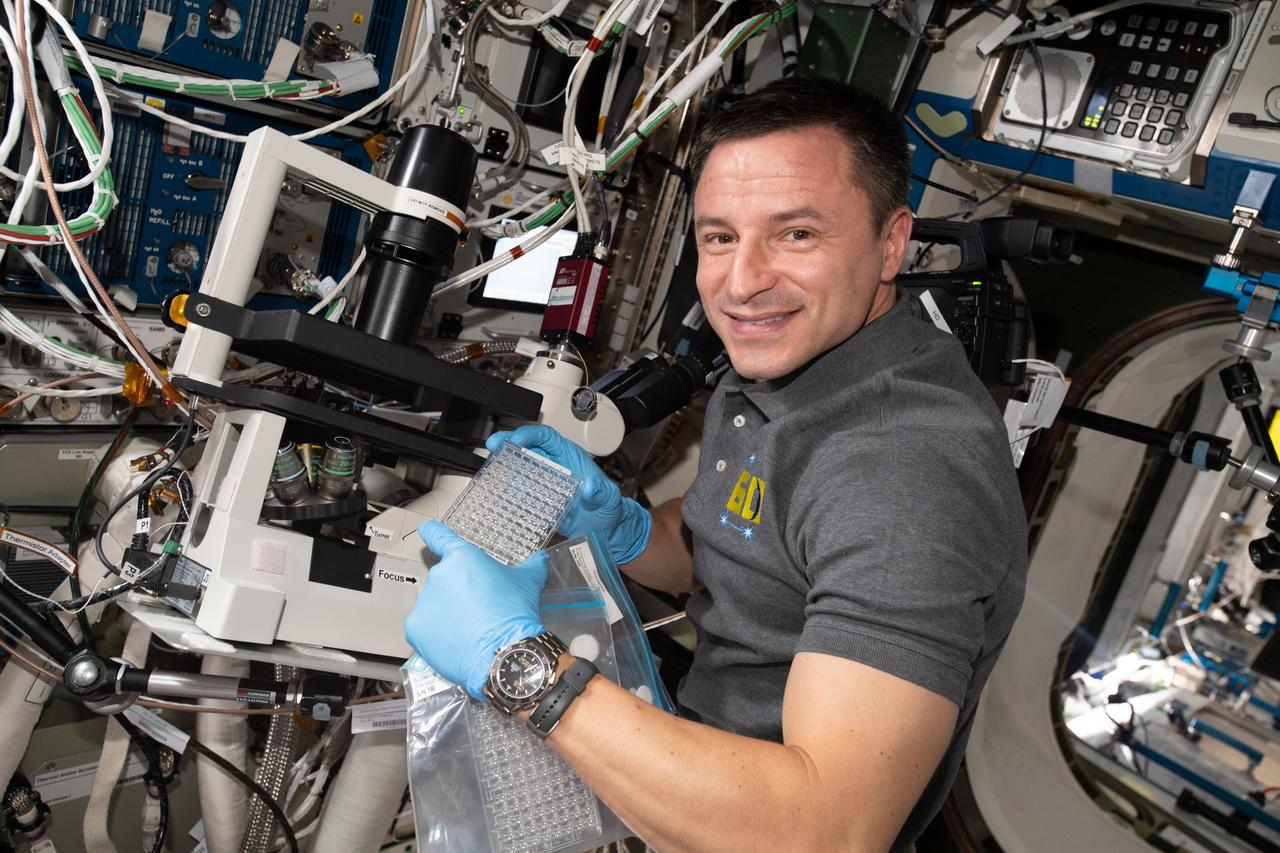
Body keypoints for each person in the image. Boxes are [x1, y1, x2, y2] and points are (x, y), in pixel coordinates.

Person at [405, 76, 1027, 852]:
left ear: (892, 241)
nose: (742, 282)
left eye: (796, 234)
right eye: (720, 236)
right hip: (693, 784)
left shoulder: (904, 472)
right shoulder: (791, 360)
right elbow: (736, 558)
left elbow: (830, 830)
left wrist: (519, 666)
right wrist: (629, 532)